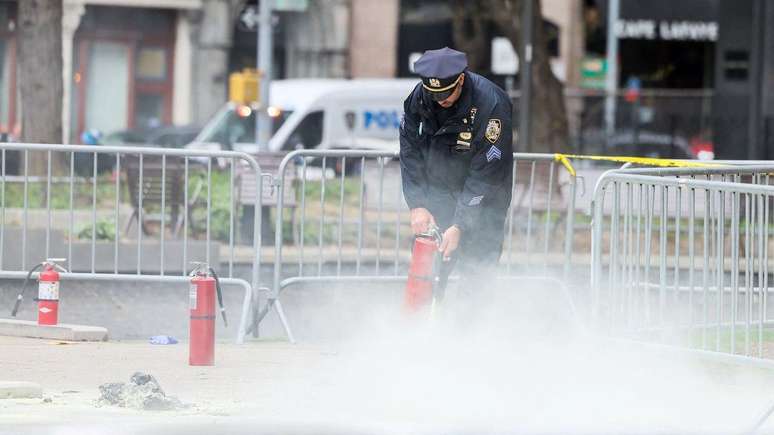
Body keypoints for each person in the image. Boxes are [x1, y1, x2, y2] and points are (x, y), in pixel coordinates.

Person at [399, 47, 513, 293]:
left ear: (461, 79)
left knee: (477, 277)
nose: (442, 100)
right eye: (435, 93)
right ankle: (423, 326)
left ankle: (471, 327)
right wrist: (417, 204)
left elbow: (487, 171)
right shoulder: (419, 99)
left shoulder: (491, 104)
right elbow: (410, 153)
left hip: (484, 201)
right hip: (438, 194)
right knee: (426, 274)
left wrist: (460, 224)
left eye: (448, 93)